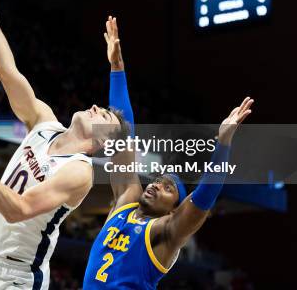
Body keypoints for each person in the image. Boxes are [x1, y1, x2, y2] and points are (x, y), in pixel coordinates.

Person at [0, 0, 130, 290]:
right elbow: (8, 74)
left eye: (102, 114)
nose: (93, 106)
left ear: (102, 142)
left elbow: (17, 210)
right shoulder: (45, 121)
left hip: (17, 278)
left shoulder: (79, 172)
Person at [82, 17, 254, 289]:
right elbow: (124, 133)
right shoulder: (125, 203)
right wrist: (117, 67)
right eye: (158, 181)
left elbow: (204, 198)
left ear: (174, 208)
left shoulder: (166, 231)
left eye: (168, 188)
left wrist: (223, 143)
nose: (156, 186)